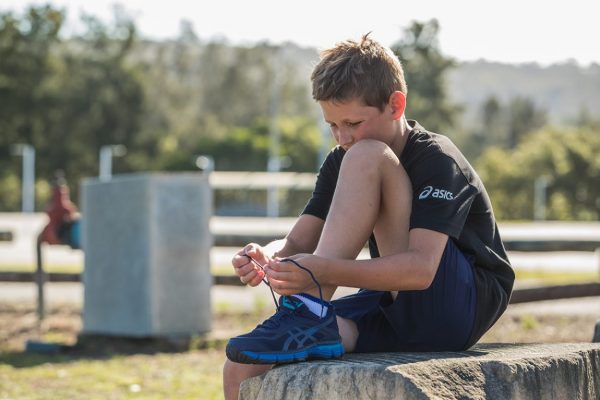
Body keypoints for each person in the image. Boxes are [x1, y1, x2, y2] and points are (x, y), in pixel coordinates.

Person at [222, 34, 514, 400]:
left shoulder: (437, 158)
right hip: (393, 302)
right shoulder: (343, 158)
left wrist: (323, 271)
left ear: (395, 105)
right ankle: (309, 314)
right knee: (241, 365)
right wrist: (267, 254)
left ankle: (309, 310)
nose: (343, 137)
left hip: (455, 307)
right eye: (332, 125)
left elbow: (420, 270)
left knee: (367, 155)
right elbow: (299, 241)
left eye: (353, 122)